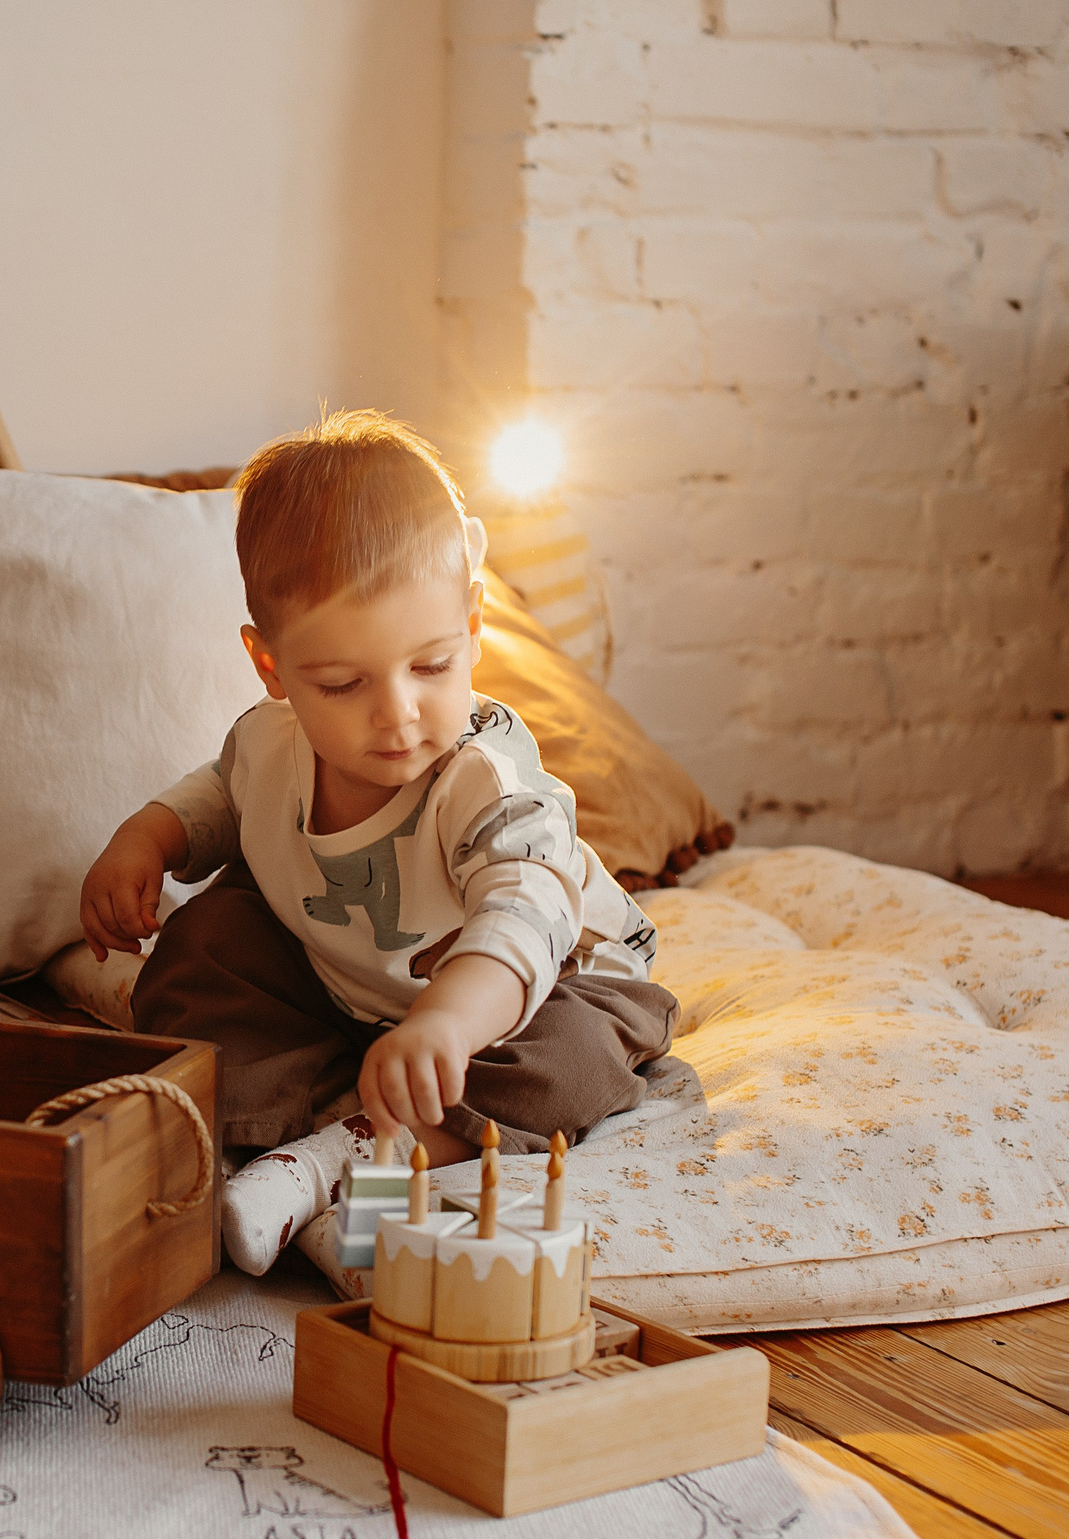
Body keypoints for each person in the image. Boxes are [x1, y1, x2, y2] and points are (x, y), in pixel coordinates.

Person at [76, 410, 677, 1274]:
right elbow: (220, 792)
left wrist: (448, 1021)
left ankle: (336, 1156)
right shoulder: (268, 741)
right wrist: (145, 840)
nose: (397, 713)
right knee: (199, 946)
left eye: (431, 666)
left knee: (572, 1066)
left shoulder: (486, 781)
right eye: (343, 683)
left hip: (540, 991)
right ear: (271, 667)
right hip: (357, 998)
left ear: (472, 624)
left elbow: (526, 909)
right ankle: (350, 1104)